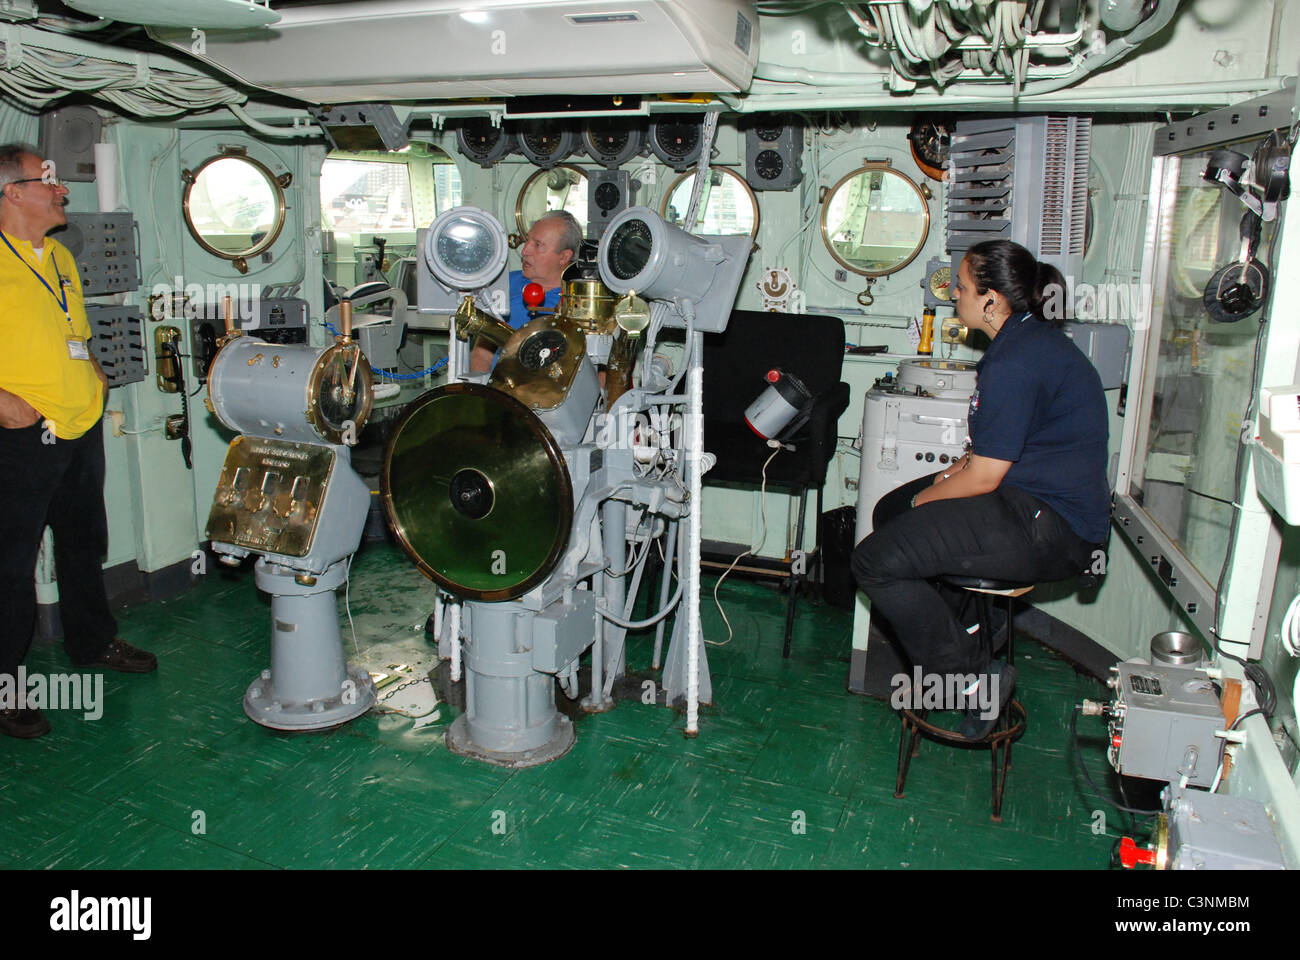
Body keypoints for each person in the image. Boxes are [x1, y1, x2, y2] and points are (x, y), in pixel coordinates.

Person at [851, 239, 1109, 740]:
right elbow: (993, 450)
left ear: (992, 300)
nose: (955, 299)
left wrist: (926, 502)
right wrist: (943, 478)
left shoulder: (1016, 360)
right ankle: (973, 631)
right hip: (1026, 499)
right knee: (889, 509)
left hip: (1052, 528)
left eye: (964, 289)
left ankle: (970, 681)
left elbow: (988, 476)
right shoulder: (1024, 342)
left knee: (873, 562)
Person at [0, 144, 157, 740]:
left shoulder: (61, 256)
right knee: (10, 568)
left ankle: (91, 642)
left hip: (78, 424)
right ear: (13, 192)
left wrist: (90, 373)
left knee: (83, 543)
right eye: (49, 181)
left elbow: (74, 329)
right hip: (20, 436)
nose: (62, 190)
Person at [468, 209, 580, 372]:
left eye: (538, 245)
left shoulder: (579, 301)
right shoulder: (502, 284)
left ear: (563, 257)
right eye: (528, 241)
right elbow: (482, 353)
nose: (524, 251)